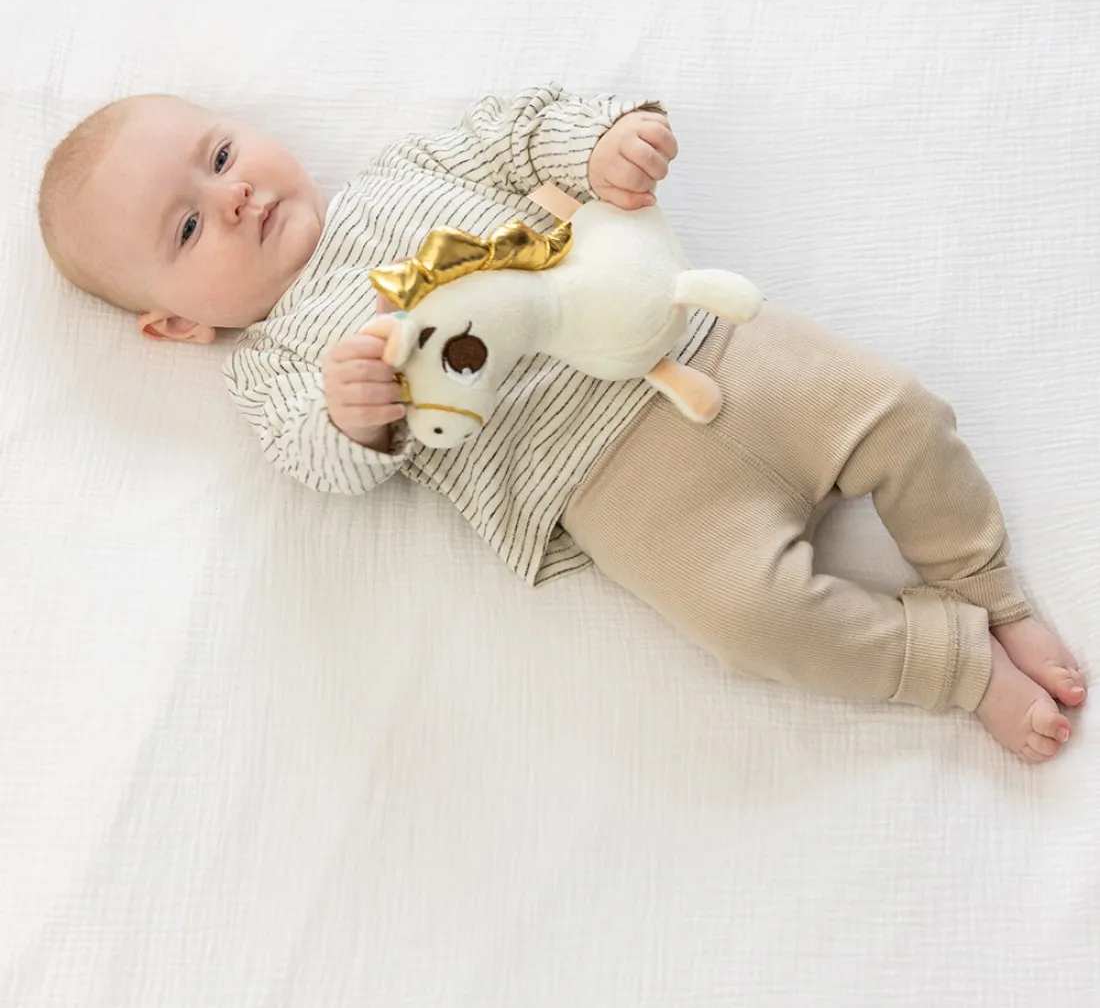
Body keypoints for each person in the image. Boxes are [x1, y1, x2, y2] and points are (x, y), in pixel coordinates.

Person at [37, 85, 1087, 763]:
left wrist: (602, 145)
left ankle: (983, 583)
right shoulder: (276, 367)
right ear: (176, 324)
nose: (231, 197)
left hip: (698, 337)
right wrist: (353, 415)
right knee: (750, 621)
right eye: (187, 225)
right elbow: (315, 457)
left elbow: (521, 129)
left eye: (220, 154)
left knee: (899, 413)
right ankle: (952, 663)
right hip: (610, 487)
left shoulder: (406, 170)